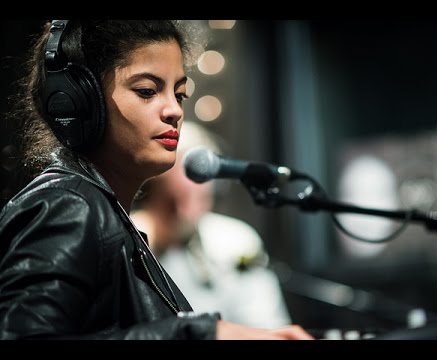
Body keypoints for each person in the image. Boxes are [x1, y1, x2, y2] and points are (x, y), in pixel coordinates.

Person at [0, 20, 314, 340]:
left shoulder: (101, 211)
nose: (174, 110)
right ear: (79, 102)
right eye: (147, 91)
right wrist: (203, 334)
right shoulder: (66, 207)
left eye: (179, 94)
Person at [130, 120, 292, 329]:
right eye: (186, 171)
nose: (198, 187)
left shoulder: (237, 240)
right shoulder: (124, 238)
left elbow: (268, 326)